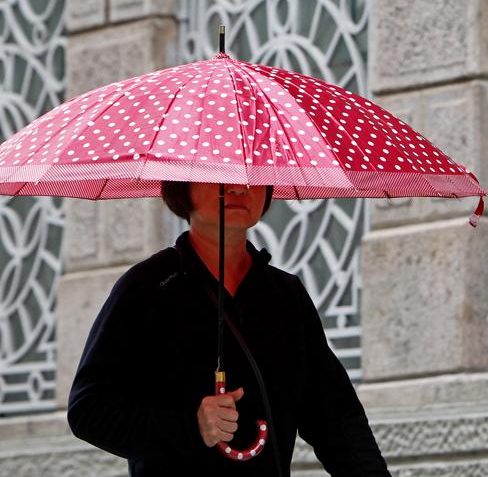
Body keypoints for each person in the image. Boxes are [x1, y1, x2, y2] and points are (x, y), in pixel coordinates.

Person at [67, 181, 391, 476]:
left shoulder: (286, 296)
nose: (237, 188)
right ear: (182, 187)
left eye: (251, 174)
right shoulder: (148, 288)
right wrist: (191, 426)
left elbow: (336, 419)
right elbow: (89, 409)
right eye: (216, 175)